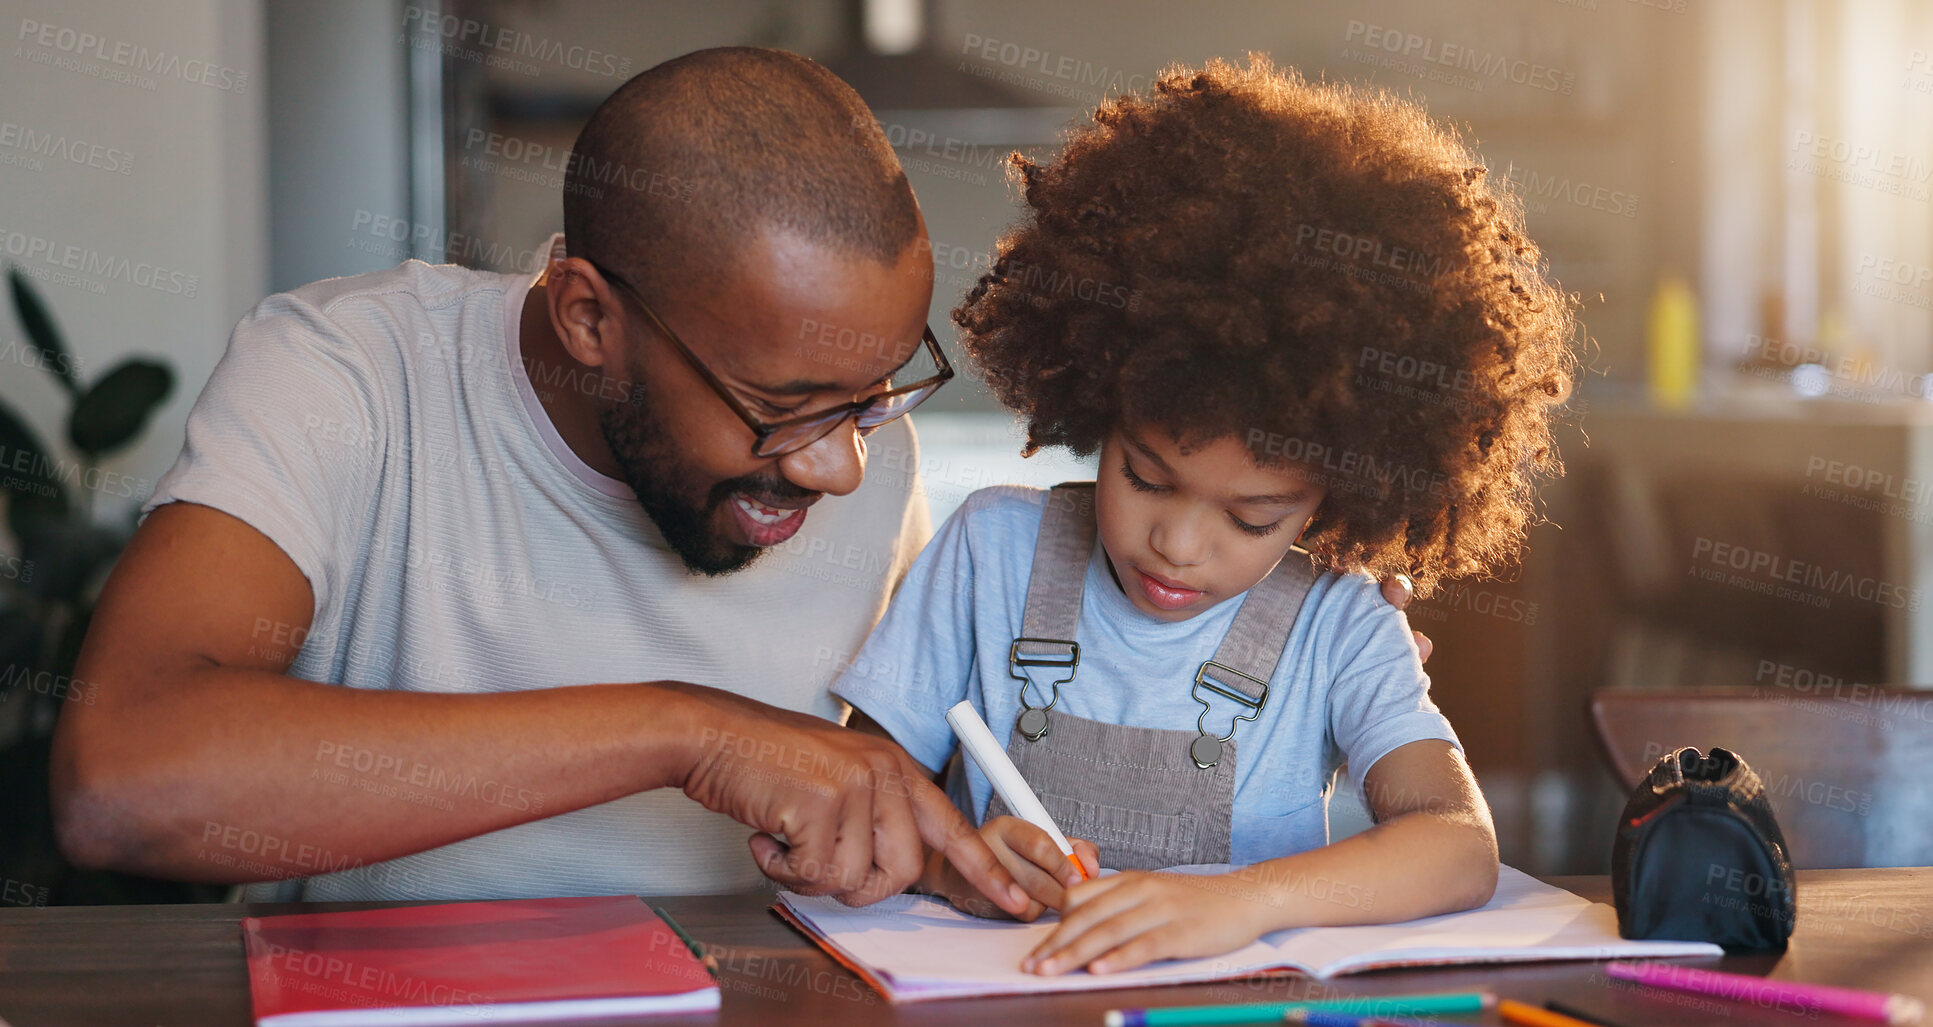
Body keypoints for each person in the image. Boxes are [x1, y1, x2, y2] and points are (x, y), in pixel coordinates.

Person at [47, 46, 1030, 912]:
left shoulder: (861, 444)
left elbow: (883, 794)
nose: (843, 467)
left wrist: (936, 850)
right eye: (780, 407)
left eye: (875, 396)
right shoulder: (347, 375)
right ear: (588, 318)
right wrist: (688, 732)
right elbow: (122, 778)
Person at [832, 55, 1577, 975]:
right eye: (1144, 476)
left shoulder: (1338, 622)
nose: (1178, 545)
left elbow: (1458, 844)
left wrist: (1236, 904)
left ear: (1341, 492)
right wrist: (955, 864)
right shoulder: (989, 552)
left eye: (1254, 517)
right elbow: (864, 798)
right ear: (1097, 401)